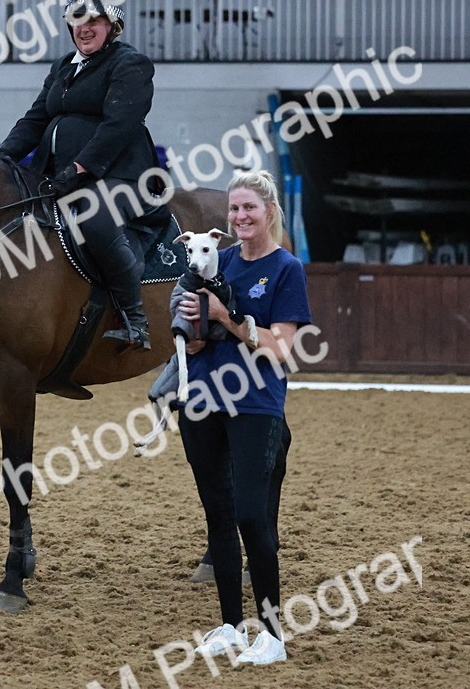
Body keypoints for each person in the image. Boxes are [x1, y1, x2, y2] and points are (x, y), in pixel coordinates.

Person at [175, 169, 311, 666]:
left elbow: (279, 348)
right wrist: (192, 332)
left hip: (256, 406)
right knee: (219, 515)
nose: (240, 216)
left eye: (249, 208)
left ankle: (272, 634)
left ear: (269, 211)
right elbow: (195, 335)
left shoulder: (286, 269)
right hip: (202, 403)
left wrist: (224, 319)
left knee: (253, 515)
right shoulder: (216, 261)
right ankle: (232, 626)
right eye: (234, 209)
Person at [0, 0, 159, 350]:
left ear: (112, 25)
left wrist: (80, 168)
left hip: (118, 175)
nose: (84, 28)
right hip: (59, 176)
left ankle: (135, 319)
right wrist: (3, 157)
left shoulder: (129, 63)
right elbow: (36, 119)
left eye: (94, 20)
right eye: (77, 20)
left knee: (92, 217)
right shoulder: (62, 67)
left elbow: (119, 126)